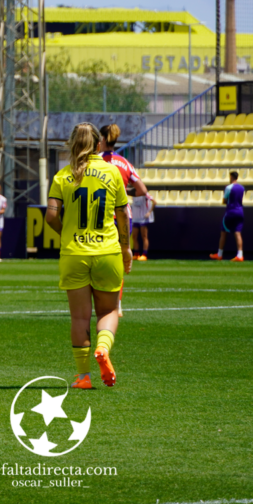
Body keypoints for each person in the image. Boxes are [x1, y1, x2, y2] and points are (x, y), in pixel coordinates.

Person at [45, 123, 132, 390]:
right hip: (107, 251)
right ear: (98, 144)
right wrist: (126, 248)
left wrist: (67, 233)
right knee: (108, 311)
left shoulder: (62, 176)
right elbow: (123, 214)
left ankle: (83, 377)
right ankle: (103, 348)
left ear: (72, 144)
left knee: (80, 318)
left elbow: (50, 216)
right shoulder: (112, 172)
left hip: (74, 253)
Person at [98, 124, 148, 319]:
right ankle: (117, 306)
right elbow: (142, 190)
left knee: (98, 260)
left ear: (102, 139)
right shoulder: (125, 163)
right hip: (124, 216)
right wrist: (125, 191)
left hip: (104, 215)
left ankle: (98, 302)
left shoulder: (96, 161)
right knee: (118, 262)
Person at [210, 171, 245, 262]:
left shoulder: (229, 187)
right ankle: (240, 255)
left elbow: (224, 200)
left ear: (231, 177)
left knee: (223, 232)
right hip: (240, 211)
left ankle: (219, 254)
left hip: (231, 211)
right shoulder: (242, 188)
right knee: (238, 233)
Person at [130, 192, 155, 261]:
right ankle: (136, 254)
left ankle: (144, 254)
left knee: (144, 236)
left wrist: (149, 212)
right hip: (135, 218)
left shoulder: (145, 194)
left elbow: (154, 202)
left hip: (143, 218)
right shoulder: (133, 194)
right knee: (134, 236)